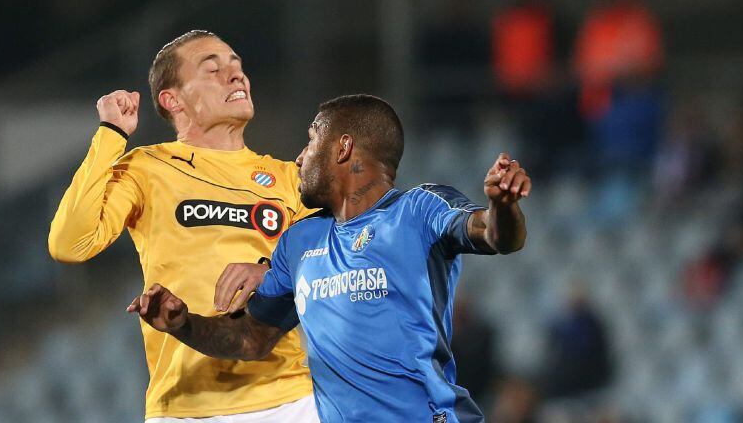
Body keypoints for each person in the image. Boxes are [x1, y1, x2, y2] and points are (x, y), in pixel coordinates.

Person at [128, 94, 532, 422]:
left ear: (342, 148)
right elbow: (251, 339)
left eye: (310, 140)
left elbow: (494, 236)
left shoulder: (418, 210)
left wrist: (503, 207)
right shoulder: (299, 241)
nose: (300, 157)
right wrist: (183, 325)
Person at [48, 30, 319, 422]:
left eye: (238, 67)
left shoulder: (289, 178)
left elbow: (328, 267)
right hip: (185, 406)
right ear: (172, 100)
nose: (236, 75)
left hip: (289, 401)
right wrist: (111, 135)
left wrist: (270, 273)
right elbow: (70, 243)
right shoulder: (147, 167)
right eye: (214, 70)